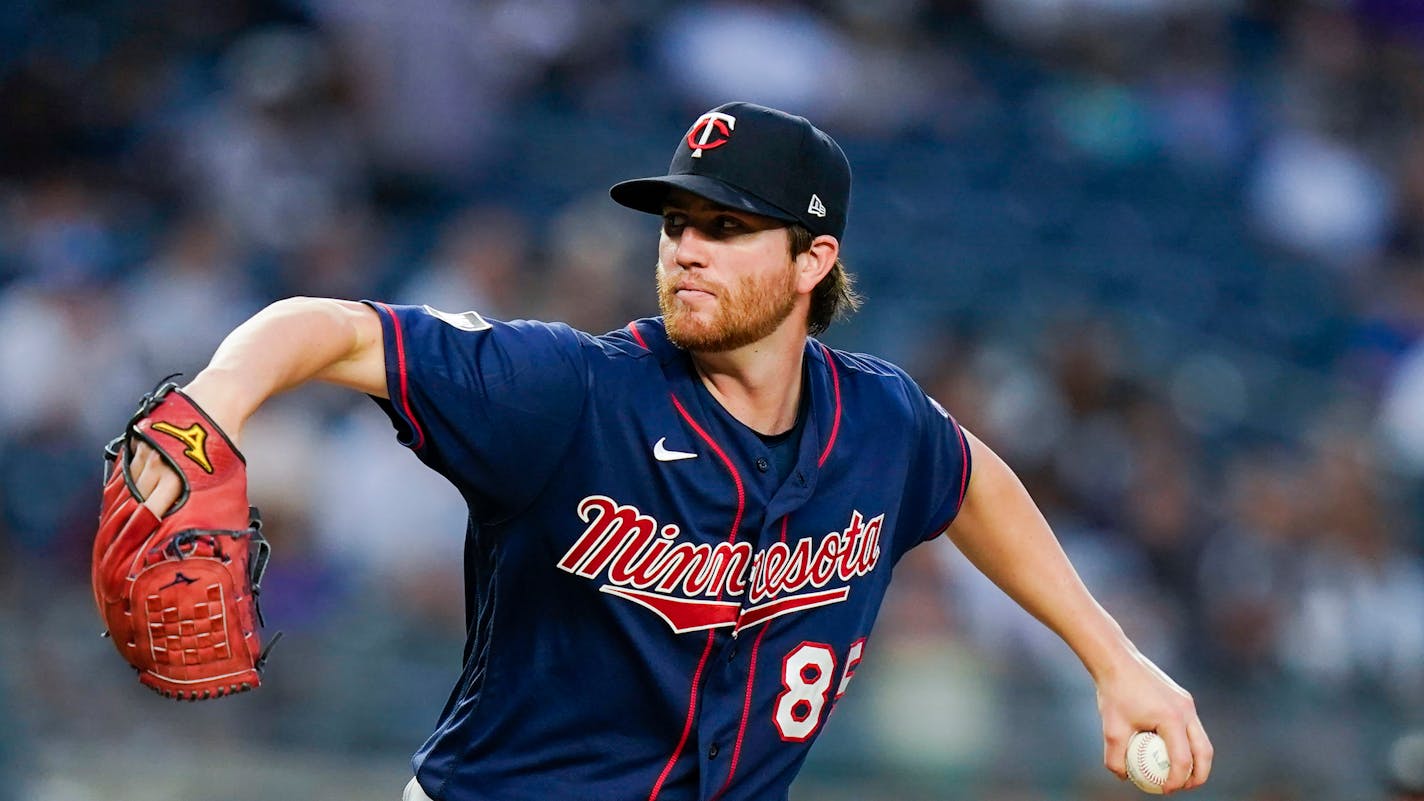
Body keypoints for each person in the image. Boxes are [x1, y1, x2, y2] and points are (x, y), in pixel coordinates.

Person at [124, 101, 1213, 800]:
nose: (686, 249)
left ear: (809, 260)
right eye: (675, 223)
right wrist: (213, 400)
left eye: (725, 228)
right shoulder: (570, 393)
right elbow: (333, 326)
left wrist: (1112, 660)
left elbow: (972, 480)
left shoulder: (877, 424)